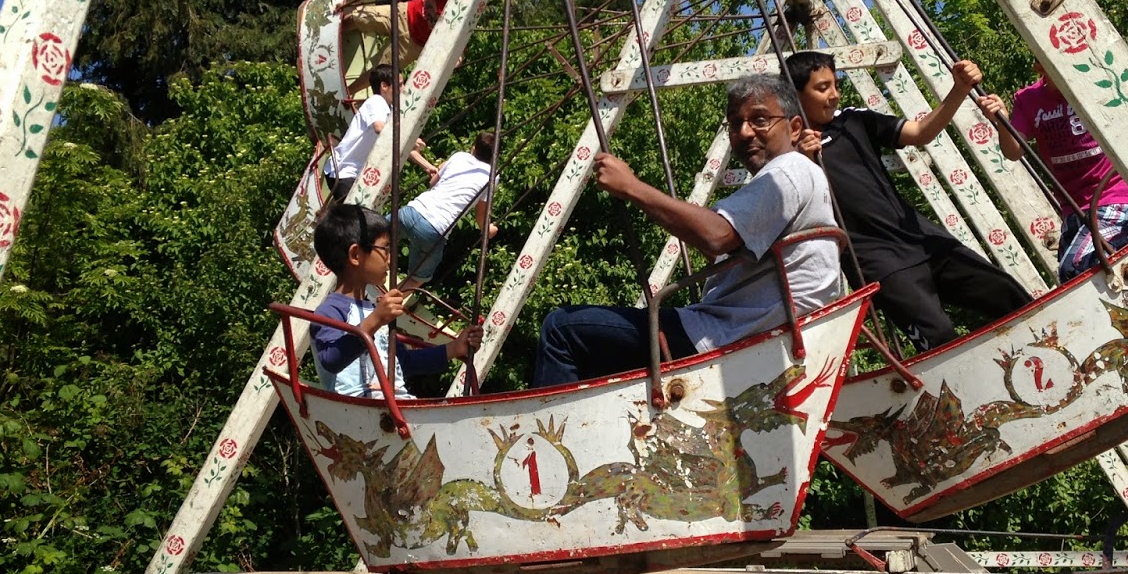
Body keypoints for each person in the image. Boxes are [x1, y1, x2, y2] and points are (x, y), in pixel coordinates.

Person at [533, 76, 843, 388]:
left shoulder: (787, 171)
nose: (745, 132)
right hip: (762, 330)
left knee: (562, 329)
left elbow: (718, 236)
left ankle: (552, 418)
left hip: (729, 332)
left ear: (794, 128)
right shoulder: (800, 177)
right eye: (735, 123)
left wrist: (631, 187)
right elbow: (723, 248)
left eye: (760, 119)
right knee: (601, 356)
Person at [788, 50, 1031, 351]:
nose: (835, 94)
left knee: (1008, 294)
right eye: (823, 88)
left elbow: (920, 132)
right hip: (877, 261)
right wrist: (803, 160)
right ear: (795, 94)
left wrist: (959, 89)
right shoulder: (788, 153)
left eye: (835, 84)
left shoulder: (855, 121)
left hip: (920, 238)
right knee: (939, 337)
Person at [979, 60, 1128, 281]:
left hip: (1116, 194)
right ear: (1039, 67)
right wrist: (1002, 121)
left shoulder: (1093, 79)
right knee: (1074, 277)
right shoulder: (1028, 99)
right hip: (1074, 207)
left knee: (1075, 267)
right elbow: (1013, 151)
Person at [311, 205, 480, 398]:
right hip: (357, 405)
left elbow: (403, 362)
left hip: (393, 403)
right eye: (385, 249)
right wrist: (376, 320)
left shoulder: (375, 310)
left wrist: (454, 348)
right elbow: (331, 359)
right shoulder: (330, 311)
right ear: (356, 255)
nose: (391, 260)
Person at [392, 132, 501, 292]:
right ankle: (386, 302)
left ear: (473, 148)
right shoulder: (492, 176)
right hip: (435, 229)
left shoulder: (459, 156)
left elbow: (432, 182)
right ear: (495, 157)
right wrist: (488, 229)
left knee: (376, 237)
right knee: (417, 278)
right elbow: (481, 214)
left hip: (413, 210)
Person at [327, 64, 440, 202]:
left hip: (354, 174)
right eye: (399, 84)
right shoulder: (376, 101)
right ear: (384, 86)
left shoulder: (389, 109)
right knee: (356, 215)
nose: (403, 89)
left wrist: (428, 167)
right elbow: (379, 128)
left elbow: (403, 145)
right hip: (344, 172)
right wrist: (410, 138)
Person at [341, 0, 455, 96]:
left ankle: (345, 94)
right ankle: (334, 31)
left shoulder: (462, 24)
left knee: (379, 72)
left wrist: (453, 58)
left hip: (412, 45)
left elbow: (456, 57)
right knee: (360, 16)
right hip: (403, 14)